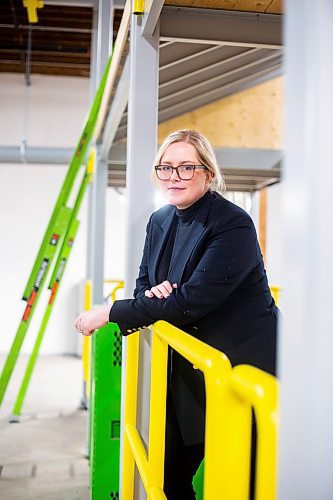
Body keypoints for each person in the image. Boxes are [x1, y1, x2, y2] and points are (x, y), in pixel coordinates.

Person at [75, 129, 277, 499]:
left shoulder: (233, 223)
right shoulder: (160, 220)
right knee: (166, 479)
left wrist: (109, 313)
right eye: (165, 168)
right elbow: (143, 289)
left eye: (186, 167)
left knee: (243, 484)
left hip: (239, 370)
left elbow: (189, 302)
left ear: (208, 173)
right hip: (187, 369)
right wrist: (158, 297)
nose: (173, 177)